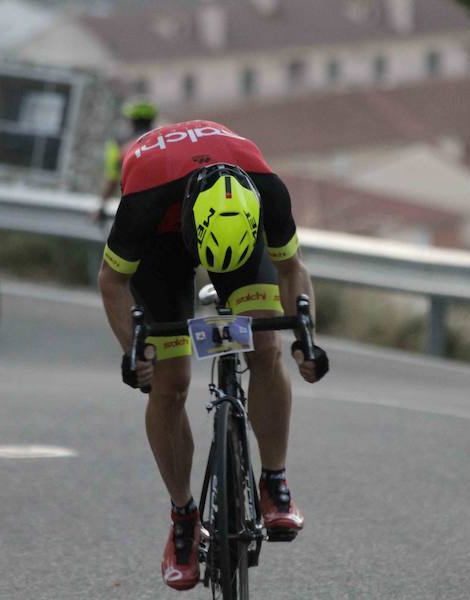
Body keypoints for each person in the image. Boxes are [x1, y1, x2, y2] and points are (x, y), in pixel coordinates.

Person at [98, 120, 329, 590]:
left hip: (238, 241)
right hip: (161, 249)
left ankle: (274, 483)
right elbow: (112, 280)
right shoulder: (145, 196)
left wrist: (306, 340)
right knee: (169, 382)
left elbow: (292, 270)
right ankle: (184, 517)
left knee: (267, 346)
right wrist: (132, 352)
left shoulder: (266, 188)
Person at [95, 98, 157, 222]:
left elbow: (113, 178)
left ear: (131, 120)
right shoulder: (165, 140)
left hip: (132, 207)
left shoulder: (119, 144)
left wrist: (101, 207)